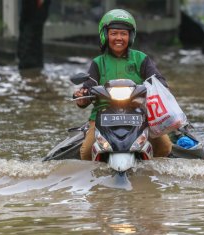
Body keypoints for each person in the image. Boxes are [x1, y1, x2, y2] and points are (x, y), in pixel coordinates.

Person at [74, 9, 172, 160]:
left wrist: (160, 85)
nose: (119, 38)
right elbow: (88, 87)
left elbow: (158, 79)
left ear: (130, 36)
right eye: (114, 33)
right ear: (105, 35)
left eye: (123, 34)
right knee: (86, 153)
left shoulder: (141, 58)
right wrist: (82, 96)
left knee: (165, 146)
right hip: (103, 116)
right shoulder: (98, 63)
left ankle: (149, 170)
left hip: (139, 114)